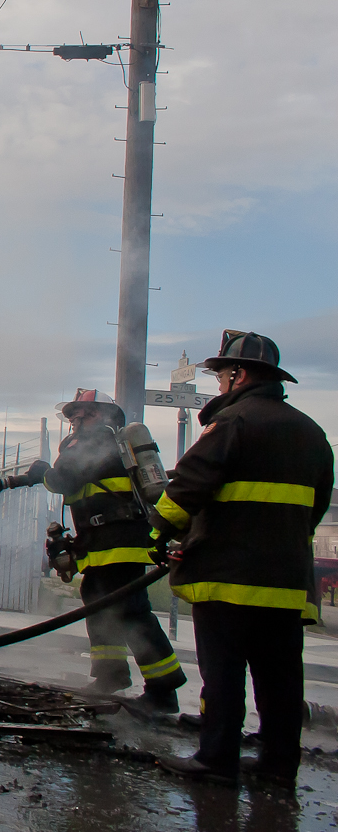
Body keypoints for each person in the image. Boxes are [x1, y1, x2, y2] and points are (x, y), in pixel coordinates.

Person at [152, 331, 335, 789]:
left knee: (225, 673)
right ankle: (277, 766)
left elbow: (189, 485)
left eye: (221, 375)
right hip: (287, 582)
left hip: (228, 577)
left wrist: (158, 532)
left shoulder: (233, 423)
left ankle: (217, 759)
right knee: (280, 679)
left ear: (240, 374)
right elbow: (313, 511)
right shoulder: (312, 433)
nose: (218, 385)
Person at [22, 389, 187, 713]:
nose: (77, 421)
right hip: (104, 541)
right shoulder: (107, 443)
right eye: (72, 416)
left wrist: (41, 471)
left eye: (84, 413)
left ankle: (163, 689)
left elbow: (62, 480)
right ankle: (110, 676)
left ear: (102, 415)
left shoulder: (92, 443)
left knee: (130, 611)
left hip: (116, 541)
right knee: (100, 603)